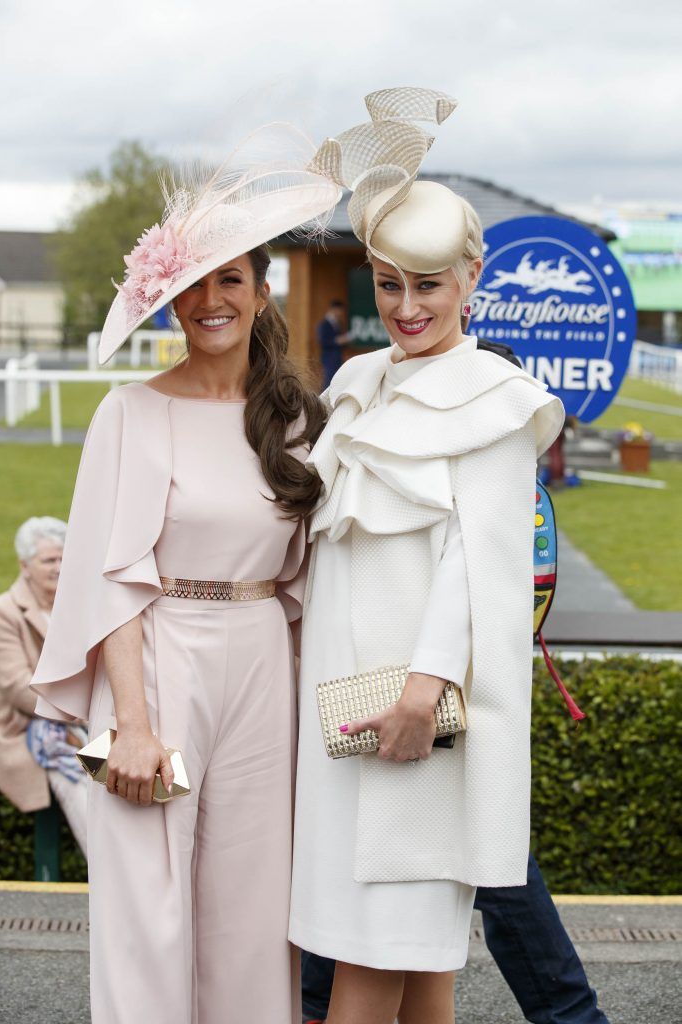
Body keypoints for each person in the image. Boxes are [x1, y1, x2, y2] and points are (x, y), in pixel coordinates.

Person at [29, 127, 340, 1024]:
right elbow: (110, 575)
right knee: (147, 911)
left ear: (260, 289)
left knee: (252, 914)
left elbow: (307, 578)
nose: (210, 300)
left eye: (230, 278)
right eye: (190, 284)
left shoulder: (292, 419)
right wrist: (129, 724)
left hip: (259, 670)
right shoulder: (128, 415)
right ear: (167, 300)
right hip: (158, 664)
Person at [289, 88, 564, 1024]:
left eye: (430, 283)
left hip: (412, 712)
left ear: (471, 277)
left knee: (379, 958)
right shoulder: (356, 381)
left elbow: (477, 567)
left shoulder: (496, 398)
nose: (407, 306)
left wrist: (420, 693)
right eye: (389, 281)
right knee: (413, 970)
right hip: (339, 708)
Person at [0, 516, 87, 854]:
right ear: (24, 565)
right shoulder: (7, 611)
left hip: (83, 718)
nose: (59, 567)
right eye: (49, 560)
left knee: (121, 771)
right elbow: (16, 686)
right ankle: (104, 868)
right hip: (31, 727)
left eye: (64, 558)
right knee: (76, 778)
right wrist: (74, 714)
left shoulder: (77, 606)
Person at [316, 300, 351, 388]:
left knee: (336, 382)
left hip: (337, 358)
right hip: (328, 359)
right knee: (328, 383)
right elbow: (323, 342)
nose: (341, 313)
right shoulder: (324, 324)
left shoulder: (338, 323)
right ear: (334, 309)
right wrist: (337, 341)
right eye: (340, 310)